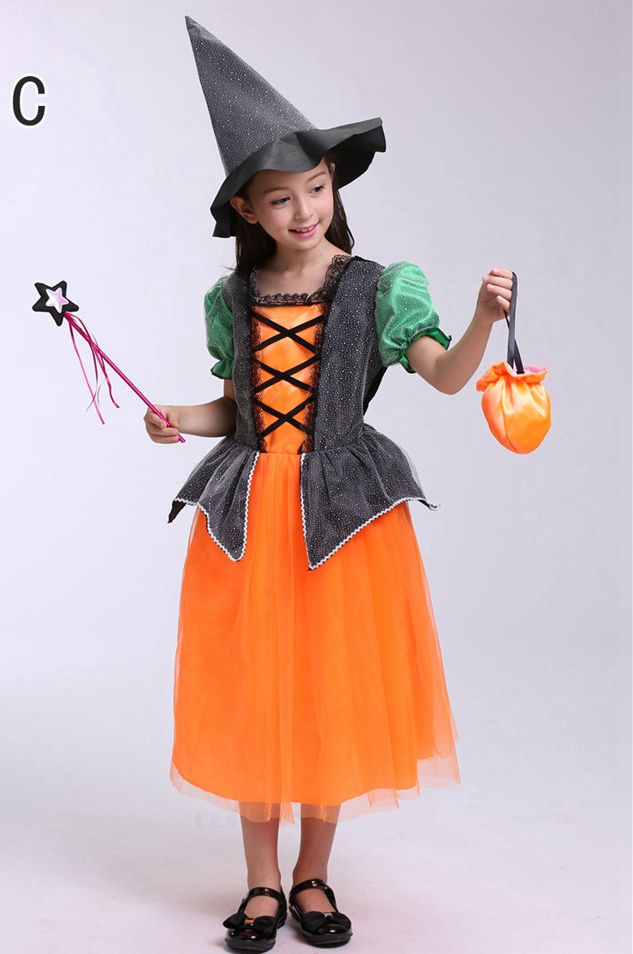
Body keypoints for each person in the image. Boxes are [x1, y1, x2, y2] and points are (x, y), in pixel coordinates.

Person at [144, 17, 513, 952]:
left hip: (340, 519)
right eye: (280, 198)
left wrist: (478, 320)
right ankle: (261, 883)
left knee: (326, 691)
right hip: (251, 519)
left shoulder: (379, 288)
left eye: (316, 187)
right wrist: (177, 418)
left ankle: (312, 873)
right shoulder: (231, 300)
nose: (305, 210)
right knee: (256, 692)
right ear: (247, 210)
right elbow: (237, 410)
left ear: (334, 182)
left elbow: (445, 376)